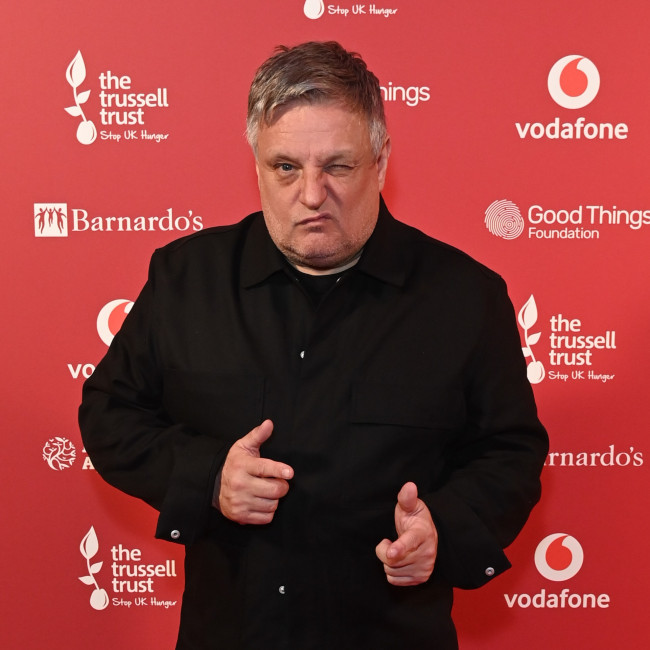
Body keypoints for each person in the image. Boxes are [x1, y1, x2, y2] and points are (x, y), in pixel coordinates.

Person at [79, 41, 548, 649]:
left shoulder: (465, 297)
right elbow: (109, 413)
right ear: (256, 165)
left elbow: (510, 452)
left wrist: (443, 529)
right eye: (285, 167)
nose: (311, 193)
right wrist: (208, 475)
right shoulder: (186, 279)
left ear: (381, 161)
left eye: (338, 166)